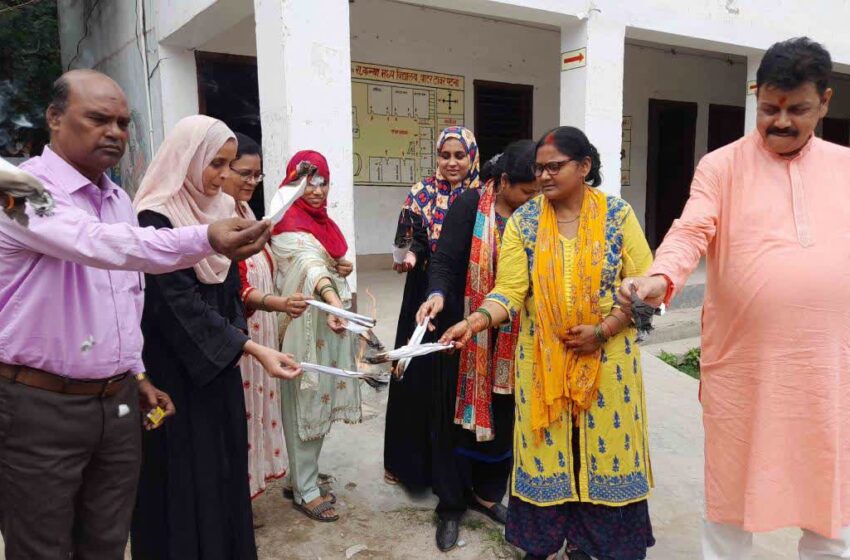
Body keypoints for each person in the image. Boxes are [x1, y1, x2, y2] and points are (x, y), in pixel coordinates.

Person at [0, 70, 270, 560]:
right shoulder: (15, 184)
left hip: (117, 401)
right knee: (41, 547)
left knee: (107, 540)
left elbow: (125, 298)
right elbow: (97, 245)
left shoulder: (118, 198)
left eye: (123, 122)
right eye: (98, 118)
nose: (115, 132)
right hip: (38, 404)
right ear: (55, 119)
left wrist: (137, 374)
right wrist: (205, 237)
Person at [621, 37, 850, 560]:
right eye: (770, 108)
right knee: (729, 499)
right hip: (746, 367)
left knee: (832, 498)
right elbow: (691, 229)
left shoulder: (845, 167)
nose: (782, 122)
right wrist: (659, 278)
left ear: (826, 102)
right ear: (755, 97)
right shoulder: (721, 166)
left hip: (829, 366)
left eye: (799, 109)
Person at [442, 127, 655, 560]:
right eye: (539, 168)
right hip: (542, 363)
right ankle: (548, 543)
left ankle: (590, 546)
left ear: (585, 167)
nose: (543, 176)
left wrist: (606, 328)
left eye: (554, 167)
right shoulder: (525, 221)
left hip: (609, 365)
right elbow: (510, 290)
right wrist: (476, 320)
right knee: (548, 455)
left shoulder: (617, 215)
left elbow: (648, 287)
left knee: (603, 455)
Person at [130, 115, 300, 560]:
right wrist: (249, 346)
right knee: (181, 473)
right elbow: (176, 303)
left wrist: (240, 343)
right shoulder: (156, 215)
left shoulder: (221, 213)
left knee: (222, 467)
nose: (223, 176)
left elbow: (226, 293)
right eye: (215, 164)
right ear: (186, 160)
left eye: (229, 165)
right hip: (174, 369)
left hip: (219, 364)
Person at [415, 140, 540, 551]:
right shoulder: (470, 206)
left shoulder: (540, 214)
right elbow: (447, 262)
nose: (532, 199)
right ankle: (451, 506)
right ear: (503, 181)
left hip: (517, 337)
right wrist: (436, 295)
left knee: (504, 418)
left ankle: (488, 495)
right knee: (455, 420)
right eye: (525, 190)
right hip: (464, 333)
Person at [384, 126, 480, 489]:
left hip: (466, 295)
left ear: (472, 156)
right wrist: (407, 256)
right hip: (423, 290)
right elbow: (410, 239)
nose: (452, 162)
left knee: (457, 377)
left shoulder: (481, 195)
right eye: (445, 155)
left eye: (459, 155)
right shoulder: (421, 192)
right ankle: (407, 464)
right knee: (414, 372)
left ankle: (455, 469)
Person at [271, 150, 362, 522]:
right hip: (304, 325)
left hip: (326, 322)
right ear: (293, 183)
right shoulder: (285, 222)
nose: (316, 190)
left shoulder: (319, 222)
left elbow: (324, 261)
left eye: (323, 181)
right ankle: (304, 490)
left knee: (318, 400)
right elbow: (309, 268)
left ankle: (300, 477)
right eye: (308, 182)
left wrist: (340, 266)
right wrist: (333, 298)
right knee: (305, 402)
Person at [222, 133, 309, 506]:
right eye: (244, 172)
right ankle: (235, 496)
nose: (250, 182)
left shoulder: (248, 214)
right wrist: (278, 303)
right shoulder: (218, 220)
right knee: (240, 418)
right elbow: (236, 289)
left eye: (257, 176)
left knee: (256, 415)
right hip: (241, 338)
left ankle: (247, 493)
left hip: (261, 332)